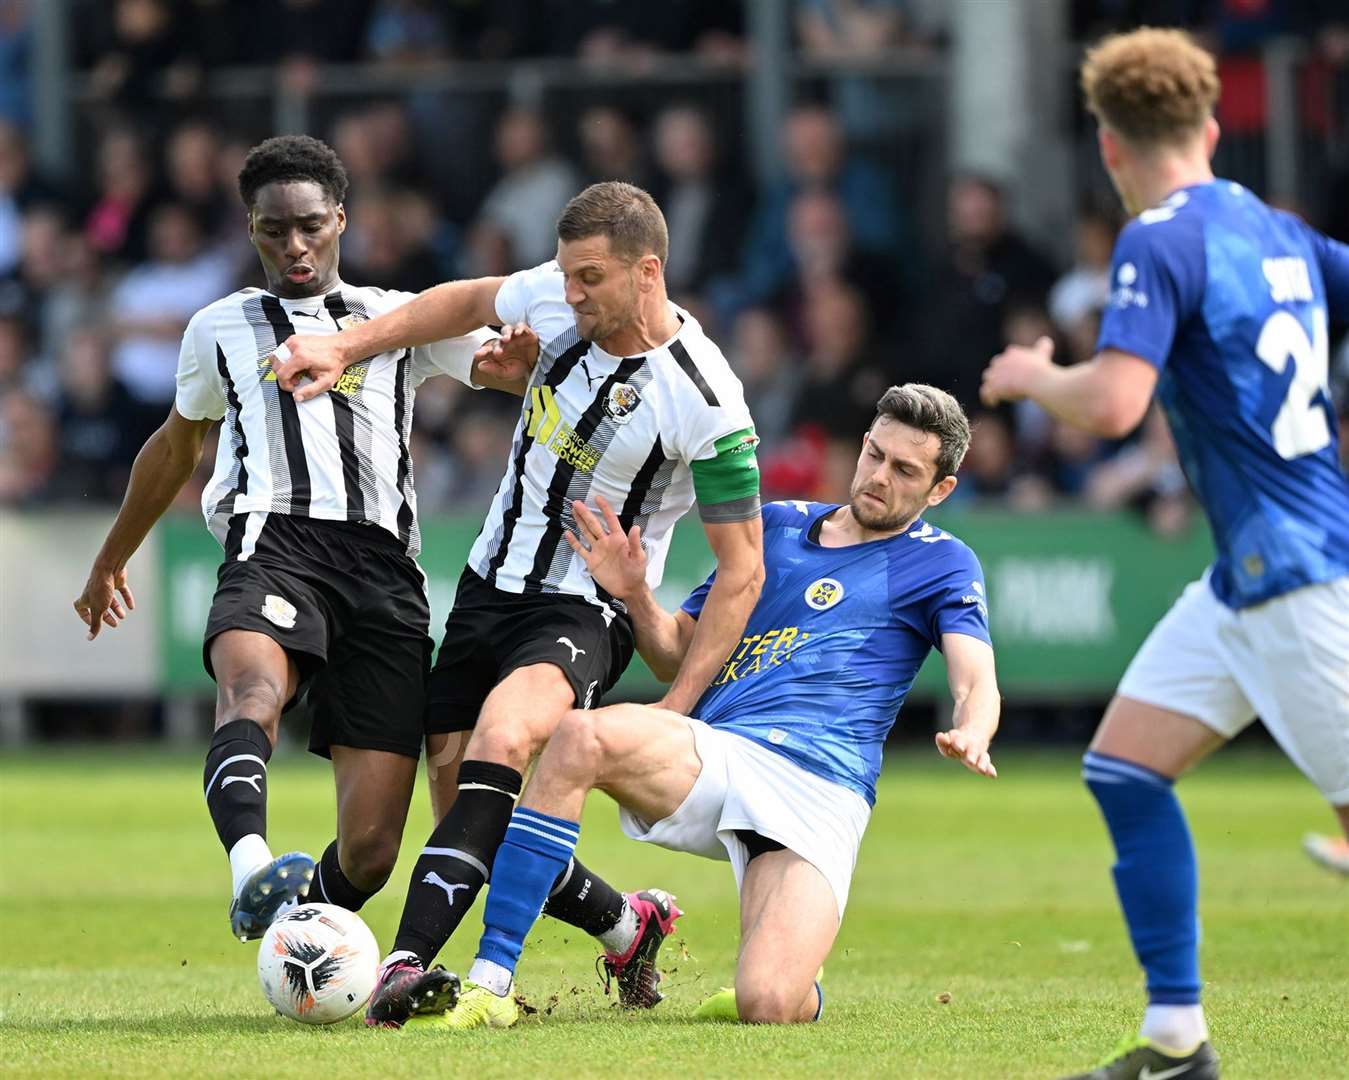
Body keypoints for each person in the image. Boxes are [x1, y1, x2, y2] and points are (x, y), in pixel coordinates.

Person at [273, 180, 766, 1026]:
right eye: (566, 276)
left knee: (502, 740)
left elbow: (743, 569)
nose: (568, 294)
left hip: (584, 605)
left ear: (648, 272)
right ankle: (625, 922)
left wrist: (678, 707)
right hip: (486, 585)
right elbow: (463, 300)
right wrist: (346, 349)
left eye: (590, 280)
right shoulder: (557, 297)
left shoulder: (706, 400)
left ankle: (404, 965)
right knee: (472, 805)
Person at [981, 28, 1349, 1080]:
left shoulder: (1156, 239)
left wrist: (1029, 376)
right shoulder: (1272, 225)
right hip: (1246, 579)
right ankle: (1176, 1042)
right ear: (1212, 124)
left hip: (1295, 579)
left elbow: (1111, 402)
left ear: (1106, 145)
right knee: (1123, 767)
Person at [414, 383, 999, 1029]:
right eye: (876, 456)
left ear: (939, 490)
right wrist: (634, 594)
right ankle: (491, 983)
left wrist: (972, 727)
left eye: (905, 470)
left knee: (768, 1003)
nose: (880, 477)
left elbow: (975, 675)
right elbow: (678, 655)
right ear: (863, 447)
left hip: (821, 786)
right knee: (581, 736)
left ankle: (792, 968)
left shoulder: (941, 562)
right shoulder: (774, 527)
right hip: (719, 754)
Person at [71, 135, 537, 943]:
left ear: (341, 221)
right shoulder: (219, 328)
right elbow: (176, 447)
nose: (293, 245)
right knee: (253, 693)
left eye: (310, 226)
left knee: (370, 851)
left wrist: (530, 362)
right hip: (273, 542)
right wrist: (112, 555)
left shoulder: (395, 317)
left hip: (386, 572)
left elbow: (507, 371)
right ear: (250, 230)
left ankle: (293, 933)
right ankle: (250, 862)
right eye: (272, 230)